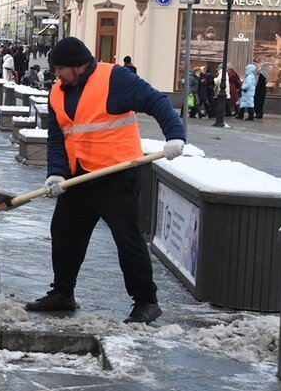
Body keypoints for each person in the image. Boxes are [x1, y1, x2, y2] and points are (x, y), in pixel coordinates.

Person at [26, 37, 185, 324]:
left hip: (116, 175)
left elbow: (156, 101)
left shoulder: (114, 78)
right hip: (78, 176)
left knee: (127, 239)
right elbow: (57, 137)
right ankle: (62, 293)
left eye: (60, 69)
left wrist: (174, 135)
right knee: (64, 233)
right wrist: (56, 172)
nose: (56, 75)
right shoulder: (57, 92)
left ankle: (146, 301)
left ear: (79, 66)